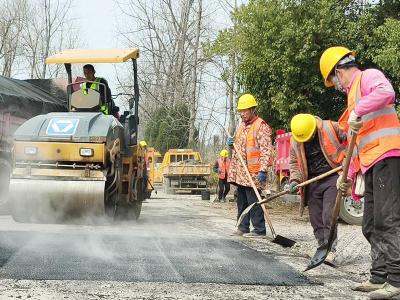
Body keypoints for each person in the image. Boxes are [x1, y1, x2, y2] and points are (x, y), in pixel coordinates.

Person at [320, 46, 400, 299]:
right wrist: (349, 177)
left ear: (339, 71)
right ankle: (379, 277)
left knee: (387, 221)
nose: (337, 85)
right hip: (371, 162)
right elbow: (357, 143)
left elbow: (387, 92)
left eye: (334, 81)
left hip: (388, 156)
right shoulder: (353, 98)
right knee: (370, 225)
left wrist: (358, 110)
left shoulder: (368, 77)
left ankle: (396, 279)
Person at [286, 114, 347, 264]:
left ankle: (330, 249)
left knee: (329, 214)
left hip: (332, 175)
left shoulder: (330, 127)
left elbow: (353, 138)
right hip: (311, 181)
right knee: (315, 218)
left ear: (313, 129)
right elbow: (294, 163)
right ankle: (322, 246)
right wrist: (294, 180)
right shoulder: (296, 139)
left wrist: (347, 160)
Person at [227, 94, 272, 238]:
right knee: (242, 201)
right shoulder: (242, 126)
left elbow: (266, 150)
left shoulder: (261, 126)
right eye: (240, 111)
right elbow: (241, 149)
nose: (242, 113)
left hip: (254, 172)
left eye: (245, 110)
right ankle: (243, 227)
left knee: (254, 201)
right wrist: (232, 145)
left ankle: (259, 230)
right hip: (241, 173)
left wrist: (263, 170)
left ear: (252, 109)